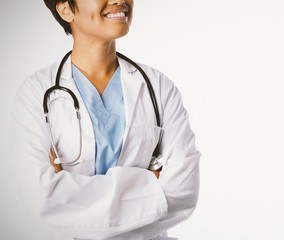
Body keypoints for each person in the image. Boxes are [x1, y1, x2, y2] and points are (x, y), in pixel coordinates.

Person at [9, 0, 200, 239]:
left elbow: (183, 192)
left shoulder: (159, 87)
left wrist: (71, 196)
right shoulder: (36, 92)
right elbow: (40, 199)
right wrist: (150, 185)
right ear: (65, 9)